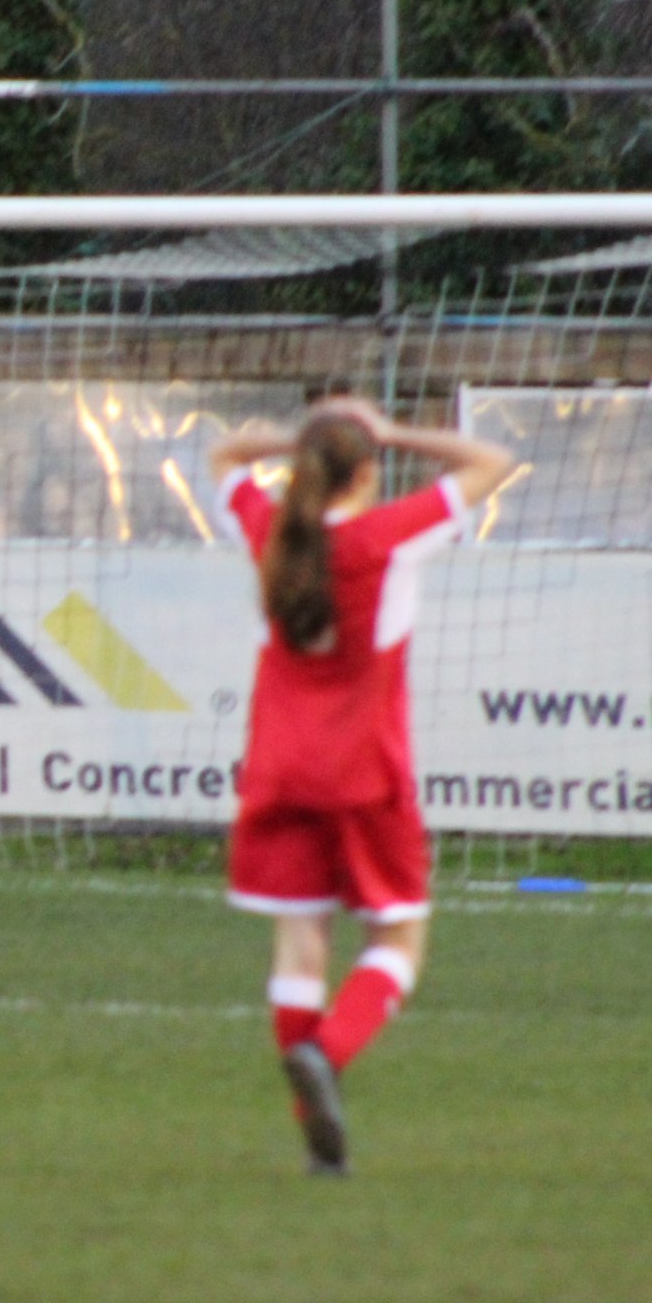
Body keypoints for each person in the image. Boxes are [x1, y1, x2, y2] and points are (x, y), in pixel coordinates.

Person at [207, 398, 515, 1177]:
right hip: (366, 773)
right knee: (399, 939)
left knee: (300, 937)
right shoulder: (388, 538)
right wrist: (392, 430)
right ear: (370, 469)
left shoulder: (272, 531)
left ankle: (312, 1123)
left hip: (278, 770)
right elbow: (493, 463)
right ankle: (327, 1056)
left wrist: (298, 432)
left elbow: (222, 455)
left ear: (307, 467)